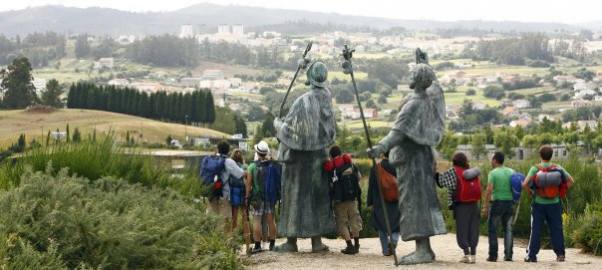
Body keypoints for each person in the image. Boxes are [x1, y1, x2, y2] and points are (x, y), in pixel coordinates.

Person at [368, 49, 447, 265]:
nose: (409, 77)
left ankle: (422, 250)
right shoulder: (429, 99)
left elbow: (397, 132)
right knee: (419, 202)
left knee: (413, 203)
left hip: (412, 163)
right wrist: (425, 65)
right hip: (421, 161)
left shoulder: (414, 104)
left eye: (413, 74)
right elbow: (436, 88)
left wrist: (379, 147)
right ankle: (425, 248)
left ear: (418, 80)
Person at [274, 61, 336, 253]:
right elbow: (330, 131)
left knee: (295, 198)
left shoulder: (303, 101)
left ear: (309, 78)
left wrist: (278, 125)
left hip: (299, 163)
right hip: (319, 158)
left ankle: (291, 242)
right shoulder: (326, 98)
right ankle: (316, 242)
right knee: (316, 198)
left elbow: (294, 133)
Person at [523, 145, 574, 263]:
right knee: (557, 229)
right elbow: (571, 181)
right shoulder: (558, 167)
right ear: (551, 155)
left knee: (536, 229)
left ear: (540, 155)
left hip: (538, 204)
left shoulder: (535, 168)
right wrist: (560, 193)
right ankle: (560, 254)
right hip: (555, 203)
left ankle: (532, 256)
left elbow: (525, 184)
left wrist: (531, 192)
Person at [436, 152, 481, 264]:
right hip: (474, 204)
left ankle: (466, 255)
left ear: (454, 161)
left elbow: (441, 182)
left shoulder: (454, 171)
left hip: (461, 205)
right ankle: (473, 255)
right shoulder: (471, 172)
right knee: (473, 229)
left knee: (462, 229)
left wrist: (434, 173)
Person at [323, 146, 362, 255]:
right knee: (354, 219)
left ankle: (349, 246)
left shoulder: (331, 167)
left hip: (339, 200)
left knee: (342, 222)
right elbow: (359, 177)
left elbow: (329, 182)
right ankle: (357, 245)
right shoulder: (350, 164)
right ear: (341, 153)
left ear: (331, 156)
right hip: (352, 197)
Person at [202, 141, 245, 231]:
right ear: (228, 151)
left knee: (212, 219)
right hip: (224, 195)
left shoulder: (210, 159)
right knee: (225, 222)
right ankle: (224, 243)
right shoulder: (229, 162)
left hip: (211, 193)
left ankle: (210, 240)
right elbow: (240, 174)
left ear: (217, 149)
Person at [247, 141, 280, 252]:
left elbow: (249, 184)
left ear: (257, 152)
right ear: (266, 153)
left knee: (256, 220)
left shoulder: (252, 166)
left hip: (257, 199)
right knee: (271, 221)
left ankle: (257, 246)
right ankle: (272, 244)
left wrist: (247, 197)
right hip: (270, 197)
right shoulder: (272, 165)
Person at [482, 151, 515, 262]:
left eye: (492, 159)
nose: (491, 161)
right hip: (510, 202)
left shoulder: (493, 173)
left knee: (493, 229)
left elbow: (489, 190)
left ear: (495, 161)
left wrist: (485, 206)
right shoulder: (511, 171)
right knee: (508, 229)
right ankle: (509, 255)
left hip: (497, 203)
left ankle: (493, 256)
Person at [368, 151, 401, 257]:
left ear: (383, 155)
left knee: (381, 225)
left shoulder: (376, 168)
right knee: (396, 224)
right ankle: (394, 241)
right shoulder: (398, 167)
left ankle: (386, 250)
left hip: (380, 202)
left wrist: (370, 202)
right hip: (396, 201)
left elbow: (371, 186)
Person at [230, 149, 247, 231]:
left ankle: (234, 235)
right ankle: (247, 239)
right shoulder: (245, 166)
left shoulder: (231, 166)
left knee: (234, 215)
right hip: (243, 190)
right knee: (244, 213)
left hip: (234, 190)